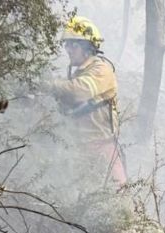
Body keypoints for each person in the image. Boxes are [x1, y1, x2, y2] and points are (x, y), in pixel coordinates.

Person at [51, 16, 125, 187]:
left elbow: (77, 91)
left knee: (118, 200)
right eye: (67, 44)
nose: (68, 49)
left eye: (73, 44)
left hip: (102, 149)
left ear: (87, 47)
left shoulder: (101, 70)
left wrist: (50, 85)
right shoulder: (81, 73)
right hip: (81, 150)